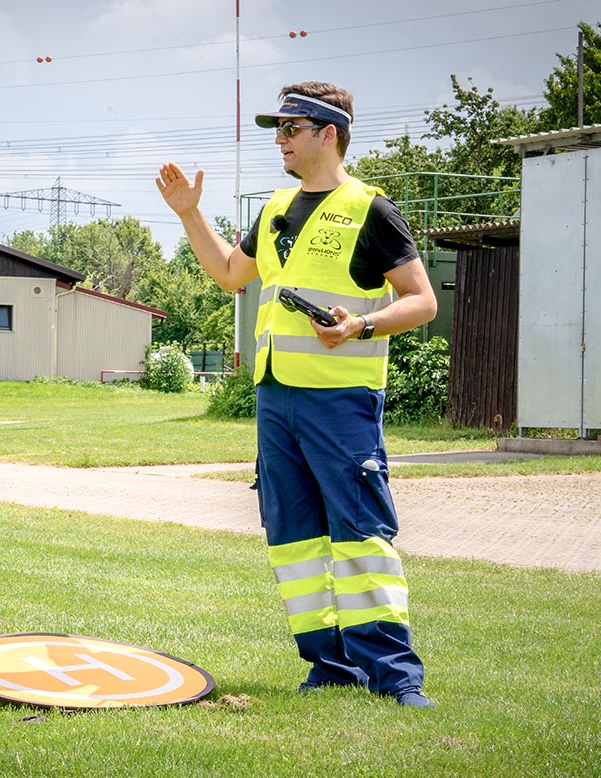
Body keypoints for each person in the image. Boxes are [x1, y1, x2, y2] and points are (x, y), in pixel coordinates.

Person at [156, 81, 438, 707]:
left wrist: (361, 325)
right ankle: (329, 664)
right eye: (277, 129)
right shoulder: (277, 207)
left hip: (341, 401)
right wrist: (188, 213)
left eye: (290, 127)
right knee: (293, 534)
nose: (279, 139)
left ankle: (395, 676)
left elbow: (422, 301)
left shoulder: (372, 209)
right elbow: (232, 273)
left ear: (327, 134)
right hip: (276, 399)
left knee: (360, 531)